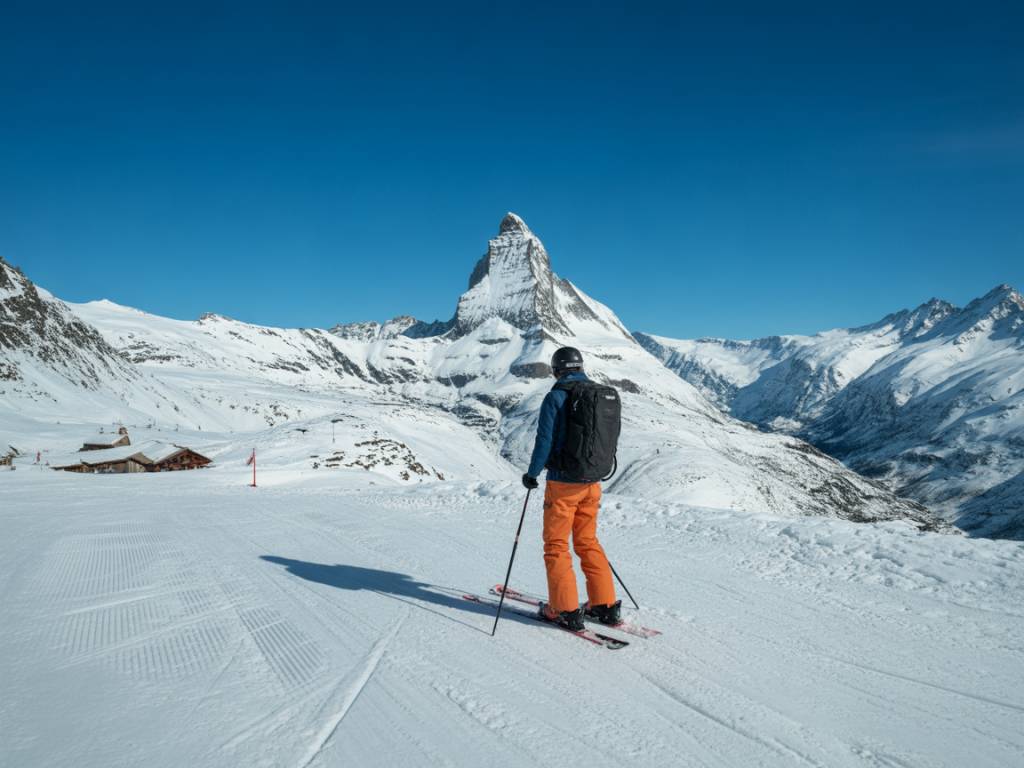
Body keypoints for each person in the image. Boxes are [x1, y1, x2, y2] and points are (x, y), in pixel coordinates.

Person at [522, 346, 621, 631]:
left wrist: (532, 474)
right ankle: (604, 606)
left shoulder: (556, 397)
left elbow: (544, 441)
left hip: (564, 484)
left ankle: (564, 609)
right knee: (587, 541)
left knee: (556, 545)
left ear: (556, 370)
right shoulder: (600, 395)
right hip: (593, 483)